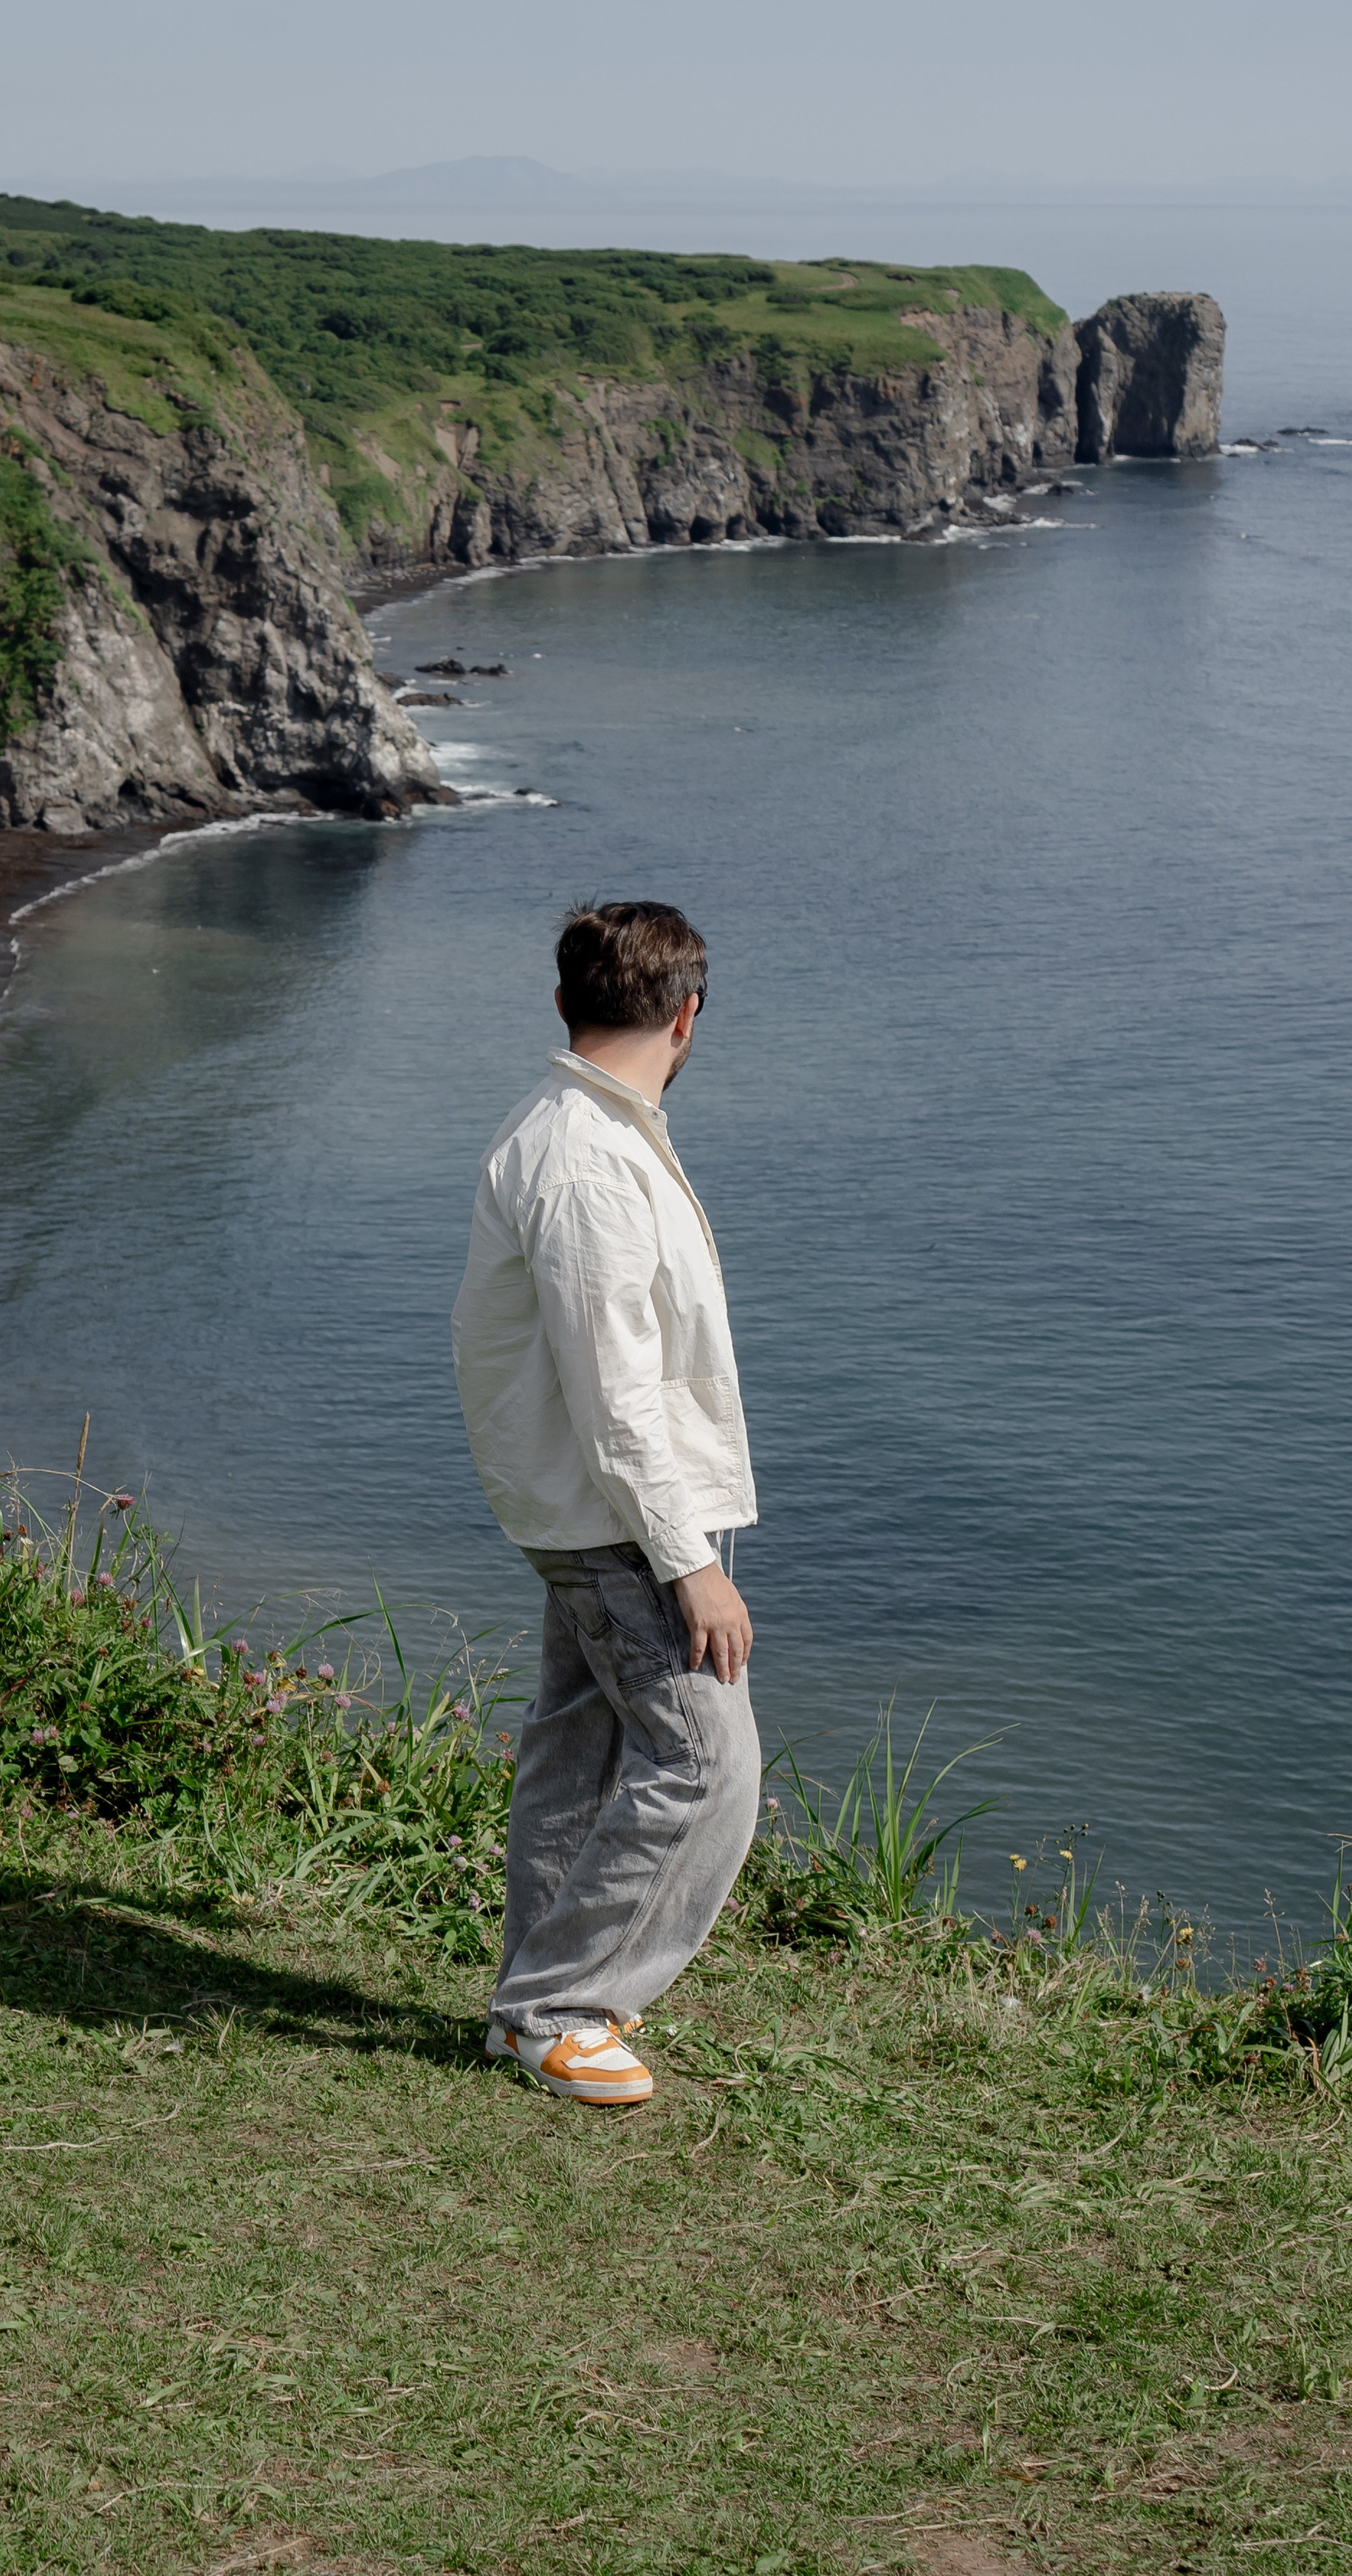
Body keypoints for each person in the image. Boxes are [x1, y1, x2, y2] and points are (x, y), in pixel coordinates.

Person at [451, 899, 761, 2108]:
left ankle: (537, 1998)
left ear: (570, 1001)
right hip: (621, 1516)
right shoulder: (587, 1160)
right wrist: (689, 1559)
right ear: (686, 1017)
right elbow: (614, 1388)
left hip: (594, 1503)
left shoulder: (584, 1127)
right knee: (705, 1761)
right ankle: (560, 2008)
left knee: (580, 1747)